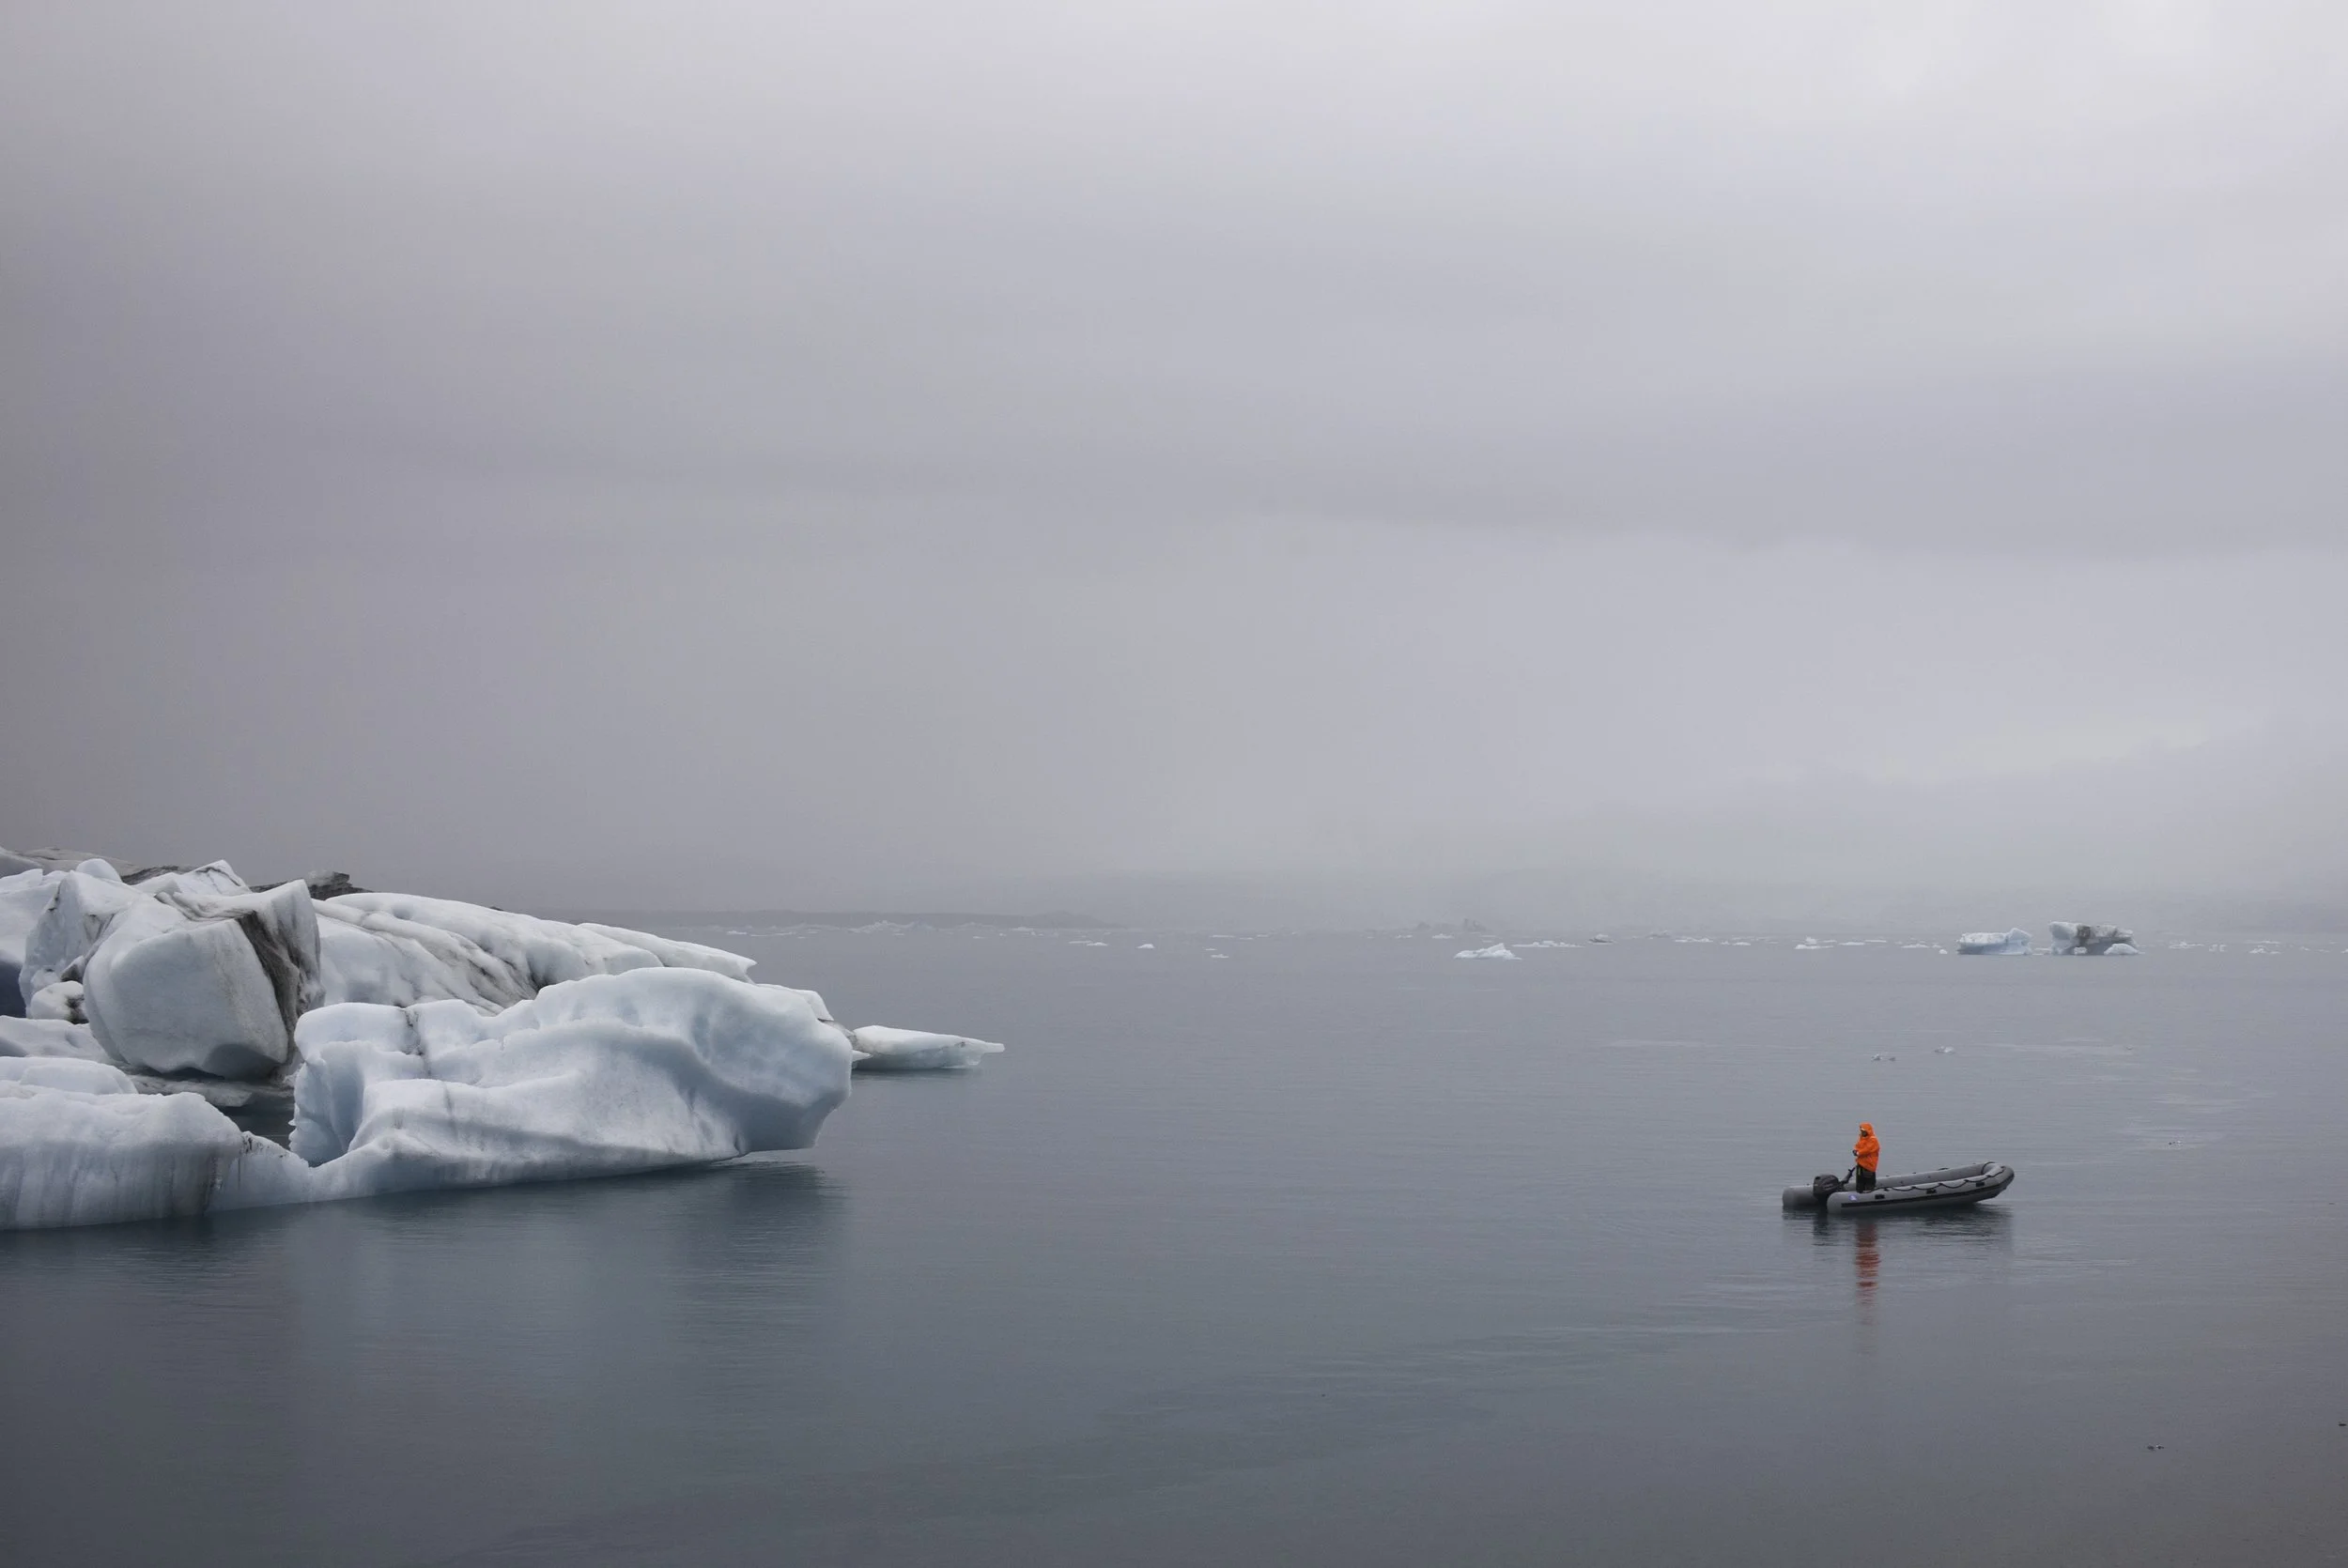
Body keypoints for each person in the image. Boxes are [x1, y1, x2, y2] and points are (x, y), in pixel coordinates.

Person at [1852, 1123, 1880, 1191]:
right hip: (1861, 1164)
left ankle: (1869, 1193)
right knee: (1860, 1182)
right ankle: (1859, 1192)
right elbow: (1857, 1146)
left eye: (1863, 1131)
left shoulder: (1873, 1140)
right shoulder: (1862, 1138)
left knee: (1869, 1184)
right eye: (1861, 1131)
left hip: (1868, 1166)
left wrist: (1858, 1153)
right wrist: (1855, 1150)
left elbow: (1867, 1150)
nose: (1862, 1132)